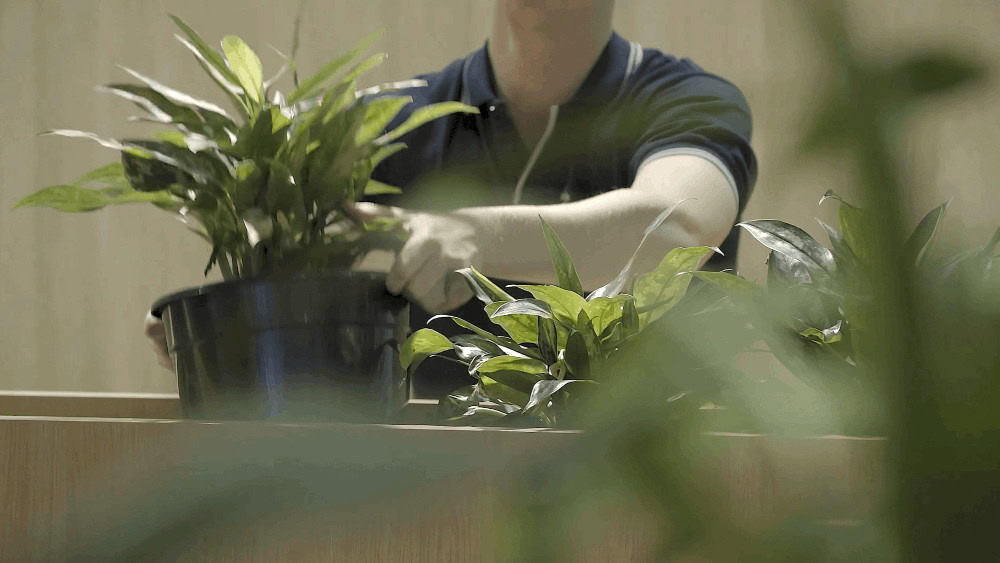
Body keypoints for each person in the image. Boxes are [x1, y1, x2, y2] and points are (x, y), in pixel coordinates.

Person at [146, 0, 757, 399]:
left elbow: (677, 229)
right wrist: (226, 326)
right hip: (433, 506)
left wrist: (473, 235)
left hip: (655, 497)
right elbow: (286, 280)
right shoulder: (377, 127)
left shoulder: (690, 99)